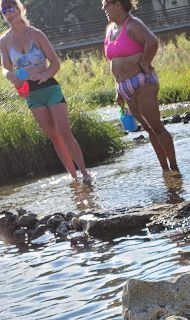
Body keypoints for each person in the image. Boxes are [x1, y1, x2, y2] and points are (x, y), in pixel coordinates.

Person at [0, 0, 92, 183]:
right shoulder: (3, 40)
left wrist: (45, 75)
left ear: (19, 10)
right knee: (54, 136)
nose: (8, 14)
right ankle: (73, 178)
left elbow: (56, 62)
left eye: (10, 9)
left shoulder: (36, 34)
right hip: (31, 93)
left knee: (64, 131)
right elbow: (5, 68)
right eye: (3, 11)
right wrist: (10, 76)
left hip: (49, 86)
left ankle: (85, 173)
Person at [102, 0, 178, 174]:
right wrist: (118, 89)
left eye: (106, 4)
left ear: (119, 5)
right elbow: (113, 62)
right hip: (124, 86)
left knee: (156, 126)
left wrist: (144, 62)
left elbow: (152, 41)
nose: (103, 8)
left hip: (142, 81)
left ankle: (174, 168)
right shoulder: (110, 29)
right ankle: (166, 171)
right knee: (148, 130)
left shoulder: (133, 24)